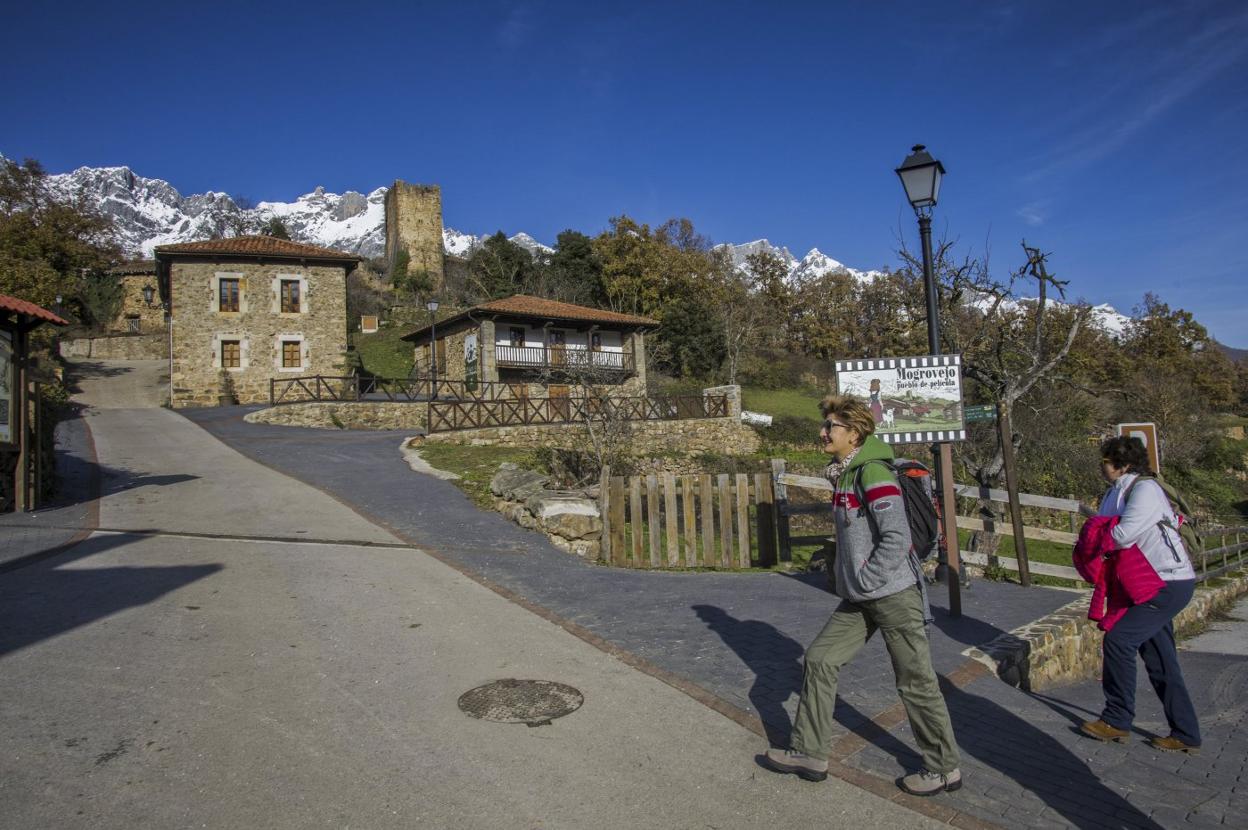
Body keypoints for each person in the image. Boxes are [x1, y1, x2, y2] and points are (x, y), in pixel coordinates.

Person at [761, 394, 962, 796]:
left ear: (853, 434)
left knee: (914, 680)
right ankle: (809, 752)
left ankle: (943, 768)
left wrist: (867, 578)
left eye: (830, 426)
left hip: (893, 594)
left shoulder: (872, 474)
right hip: (862, 596)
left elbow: (896, 537)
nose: (822, 432)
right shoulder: (847, 473)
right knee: (820, 659)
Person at [1078, 436, 1201, 753]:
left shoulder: (1145, 490)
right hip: (1147, 582)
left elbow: (1120, 534)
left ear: (1122, 463)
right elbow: (1108, 530)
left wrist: (1094, 534)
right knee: (1161, 660)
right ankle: (1185, 734)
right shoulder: (1114, 494)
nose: (1101, 467)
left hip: (1166, 583)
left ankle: (1117, 720)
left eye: (1105, 461)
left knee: (1119, 640)